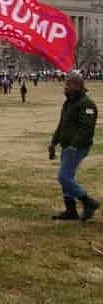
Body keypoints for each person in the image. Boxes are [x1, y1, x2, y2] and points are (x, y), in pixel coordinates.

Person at [49, 75, 99, 221]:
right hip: (67, 146)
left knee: (63, 177)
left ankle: (88, 201)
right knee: (67, 178)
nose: (65, 87)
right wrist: (53, 142)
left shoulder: (87, 104)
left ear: (77, 86)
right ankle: (71, 211)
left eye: (68, 85)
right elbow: (62, 125)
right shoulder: (69, 103)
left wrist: (75, 146)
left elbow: (86, 128)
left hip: (78, 147)